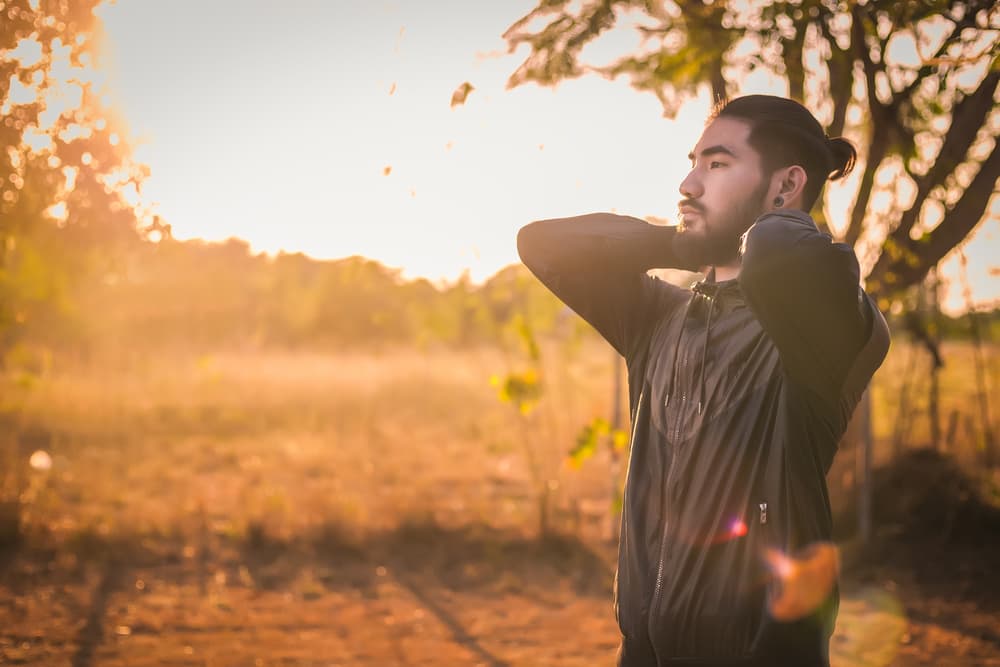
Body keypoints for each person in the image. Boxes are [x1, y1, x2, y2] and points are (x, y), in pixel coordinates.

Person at [517, 95, 890, 667]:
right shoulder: (656, 319)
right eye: (693, 162)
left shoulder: (833, 327)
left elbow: (779, 253)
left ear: (786, 186)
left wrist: (752, 228)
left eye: (717, 164)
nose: (689, 183)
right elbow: (544, 244)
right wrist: (683, 243)